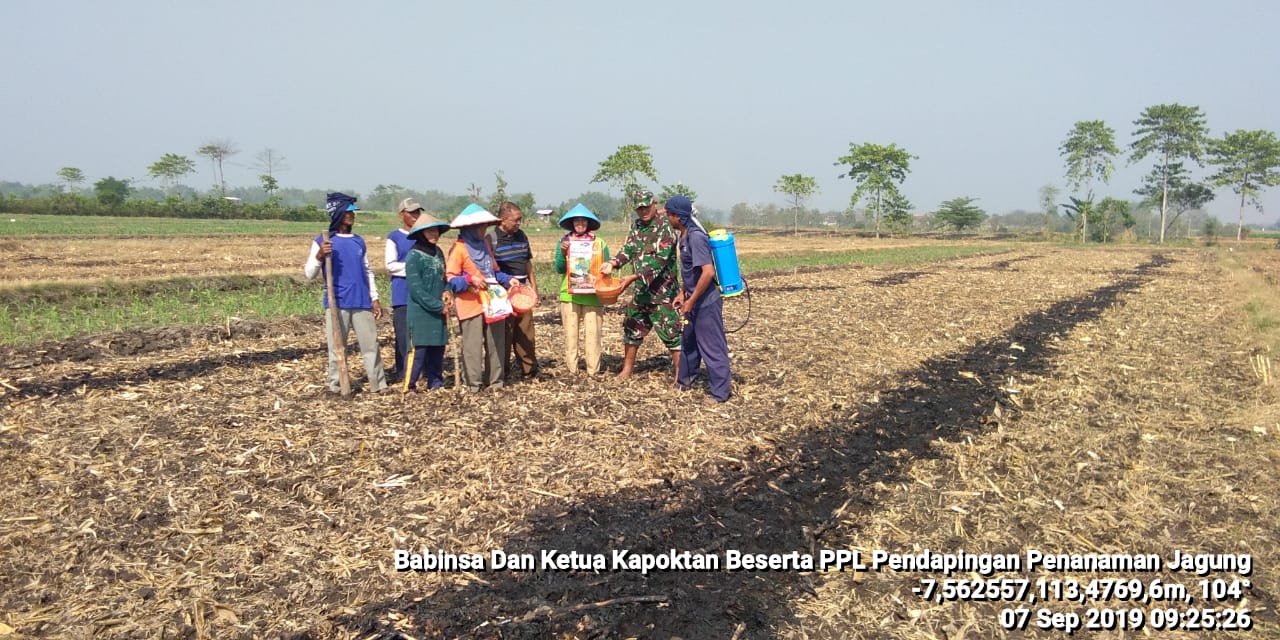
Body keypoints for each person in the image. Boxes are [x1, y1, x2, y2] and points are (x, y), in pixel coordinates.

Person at [303, 192, 388, 394]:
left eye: (353, 213)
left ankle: (378, 384)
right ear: (338, 214)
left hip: (361, 301)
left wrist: (374, 298)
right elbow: (309, 274)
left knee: (370, 346)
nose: (352, 216)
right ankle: (337, 385)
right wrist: (320, 255)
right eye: (348, 212)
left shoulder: (359, 241)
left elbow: (368, 271)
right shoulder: (324, 241)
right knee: (337, 347)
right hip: (337, 302)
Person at [599, 189, 681, 381]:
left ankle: (680, 374)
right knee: (632, 327)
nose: (643, 211)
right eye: (639, 208)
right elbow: (629, 249)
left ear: (654, 204)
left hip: (663, 293)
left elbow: (660, 261)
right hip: (642, 292)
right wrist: (613, 263)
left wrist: (632, 277)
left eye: (646, 206)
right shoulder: (636, 226)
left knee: (672, 333)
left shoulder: (665, 228)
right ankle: (627, 370)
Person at [666, 195, 731, 404]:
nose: (667, 218)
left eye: (669, 214)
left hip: (706, 303)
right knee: (689, 343)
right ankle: (684, 382)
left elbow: (707, 272)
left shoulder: (695, 237)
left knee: (712, 347)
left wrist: (691, 301)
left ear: (678, 216)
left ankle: (720, 393)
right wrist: (683, 293)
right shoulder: (684, 237)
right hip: (693, 299)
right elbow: (690, 271)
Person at [446, 203, 514, 391]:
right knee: (472, 347)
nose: (485, 229)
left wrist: (509, 280)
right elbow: (451, 278)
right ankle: (473, 384)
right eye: (482, 226)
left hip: (493, 302)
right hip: (471, 304)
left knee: (495, 343)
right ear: (471, 227)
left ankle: (496, 381)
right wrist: (470, 279)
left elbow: (494, 272)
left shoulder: (485, 245)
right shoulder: (459, 248)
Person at [553, 204, 610, 375]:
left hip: (593, 295)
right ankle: (573, 371)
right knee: (571, 336)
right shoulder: (564, 243)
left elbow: (606, 267)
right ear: (571, 224)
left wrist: (605, 272)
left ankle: (593, 372)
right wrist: (563, 254)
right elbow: (559, 268)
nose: (580, 224)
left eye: (583, 221)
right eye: (576, 221)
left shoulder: (599, 243)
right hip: (569, 295)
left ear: (589, 223)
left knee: (593, 336)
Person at [486, 201, 540, 380]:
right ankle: (502, 372)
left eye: (520, 220)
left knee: (526, 333)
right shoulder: (491, 239)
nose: (518, 223)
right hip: (502, 294)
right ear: (503, 219)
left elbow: (527, 263)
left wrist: (534, 287)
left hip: (523, 293)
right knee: (504, 334)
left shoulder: (521, 236)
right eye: (515, 220)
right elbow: (490, 269)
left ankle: (529, 371)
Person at [403, 214, 454, 391]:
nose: (434, 234)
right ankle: (409, 386)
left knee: (437, 350)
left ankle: (436, 382)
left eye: (436, 231)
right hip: (420, 312)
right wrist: (438, 306)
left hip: (439, 311)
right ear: (421, 233)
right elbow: (416, 290)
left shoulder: (438, 252)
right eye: (430, 231)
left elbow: (444, 277)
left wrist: (447, 290)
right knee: (418, 351)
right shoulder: (414, 256)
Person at [385, 198, 424, 382]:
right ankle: (404, 373)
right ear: (402, 215)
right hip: (402, 293)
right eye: (412, 213)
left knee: (419, 334)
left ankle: (418, 371)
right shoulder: (395, 237)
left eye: (418, 212)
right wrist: (413, 269)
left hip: (422, 294)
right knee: (403, 336)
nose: (416, 216)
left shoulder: (423, 235)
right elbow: (390, 265)